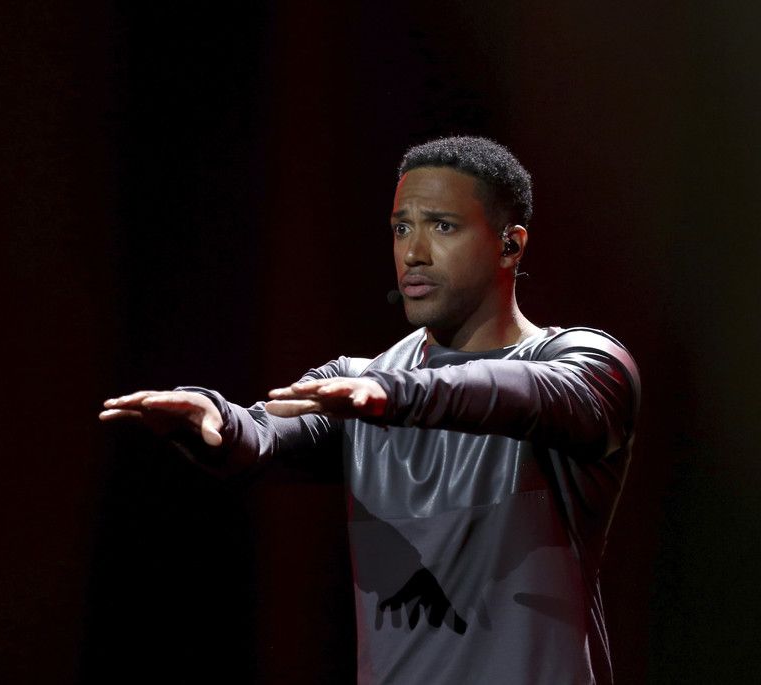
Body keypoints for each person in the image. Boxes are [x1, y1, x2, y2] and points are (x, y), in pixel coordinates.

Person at [100, 136, 640, 684]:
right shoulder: (356, 382)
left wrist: (398, 394)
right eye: (402, 228)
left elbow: (524, 391)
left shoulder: (590, 365)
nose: (414, 253)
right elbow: (262, 434)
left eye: (443, 226)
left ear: (510, 245)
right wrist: (213, 419)